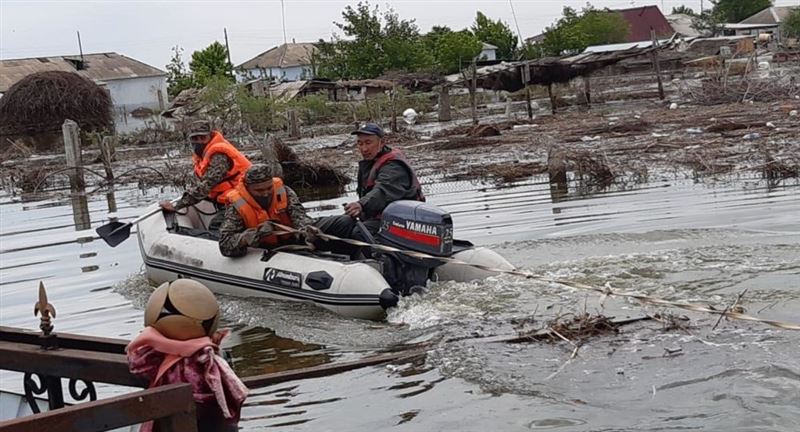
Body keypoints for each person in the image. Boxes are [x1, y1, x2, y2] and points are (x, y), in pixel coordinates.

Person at [316, 122, 424, 244]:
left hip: (403, 220)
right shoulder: (370, 162)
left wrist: (361, 205)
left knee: (360, 233)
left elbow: (382, 191)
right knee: (342, 223)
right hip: (379, 217)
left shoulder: (394, 166)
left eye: (368, 143)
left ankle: (378, 260)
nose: (364, 149)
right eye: (360, 143)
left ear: (381, 142)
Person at [218, 164, 315, 257]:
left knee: (325, 225)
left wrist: (306, 228)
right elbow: (225, 244)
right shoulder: (237, 205)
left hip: (292, 242)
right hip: (262, 249)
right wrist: (255, 234)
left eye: (269, 188)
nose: (265, 194)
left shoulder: (284, 192)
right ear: (247, 188)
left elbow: (299, 216)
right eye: (259, 190)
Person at [159, 120, 252, 214]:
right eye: (195, 138)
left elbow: (208, 184)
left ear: (210, 136)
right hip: (231, 197)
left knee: (216, 226)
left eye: (203, 137)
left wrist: (177, 205)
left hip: (245, 198)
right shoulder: (201, 156)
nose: (199, 141)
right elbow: (199, 183)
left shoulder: (219, 154)